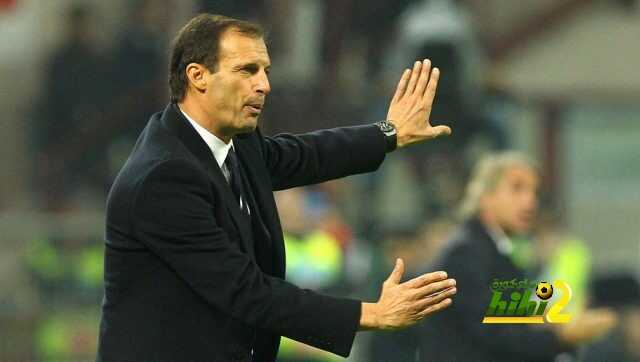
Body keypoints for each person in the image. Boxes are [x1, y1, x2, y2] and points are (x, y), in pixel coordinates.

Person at [97, 14, 457, 362]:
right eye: (247, 70)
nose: (264, 85)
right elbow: (244, 290)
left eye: (265, 71)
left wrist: (389, 134)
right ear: (198, 76)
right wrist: (372, 314)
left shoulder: (235, 142)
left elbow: (306, 155)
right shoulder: (164, 178)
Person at [417, 152, 618, 362]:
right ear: (484, 196)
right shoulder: (465, 254)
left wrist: (549, 320)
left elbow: (506, 318)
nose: (530, 202)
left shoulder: (494, 251)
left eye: (534, 192)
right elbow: (491, 333)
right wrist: (561, 337)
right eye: (517, 189)